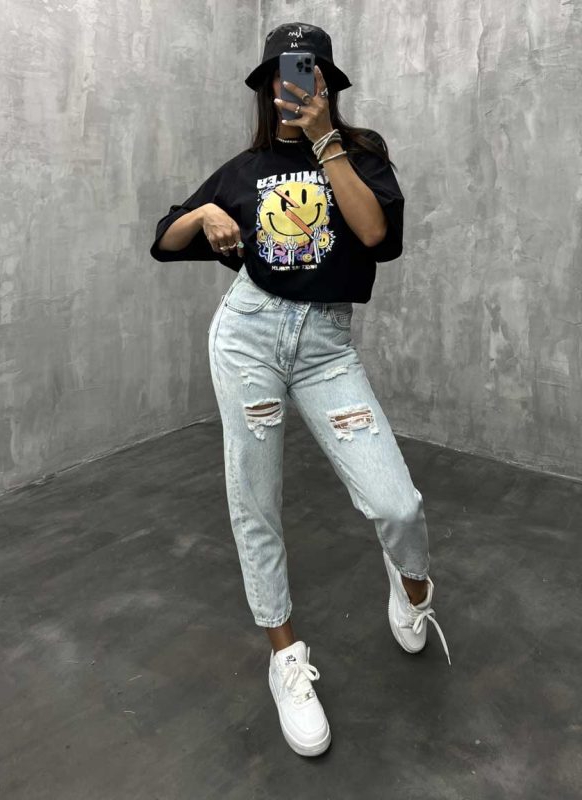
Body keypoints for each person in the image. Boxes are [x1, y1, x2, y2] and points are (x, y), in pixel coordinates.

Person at [150, 21, 451, 758]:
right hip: (248, 337)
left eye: (309, 74)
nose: (294, 88)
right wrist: (202, 214)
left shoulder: (362, 154)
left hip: (325, 349)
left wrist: (326, 142)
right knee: (256, 500)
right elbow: (164, 239)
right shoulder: (243, 169)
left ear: (326, 84)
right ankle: (285, 657)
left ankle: (412, 585)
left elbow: (375, 235)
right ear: (266, 89)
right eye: (284, 77)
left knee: (397, 504)